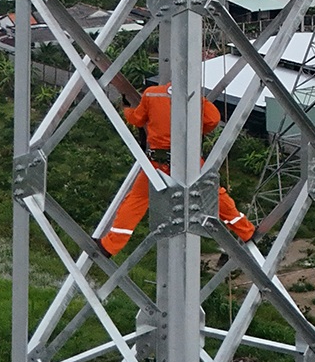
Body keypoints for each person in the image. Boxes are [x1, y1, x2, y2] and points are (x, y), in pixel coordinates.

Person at [99, 76, 256, 255]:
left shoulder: (152, 94)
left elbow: (137, 119)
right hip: (189, 162)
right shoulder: (195, 98)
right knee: (214, 195)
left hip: (158, 162)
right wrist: (198, 128)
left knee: (136, 201)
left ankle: (110, 246)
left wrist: (127, 109)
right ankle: (246, 232)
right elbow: (213, 119)